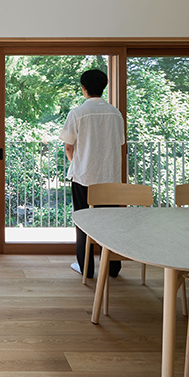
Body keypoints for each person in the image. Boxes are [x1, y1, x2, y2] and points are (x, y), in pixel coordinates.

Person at [59, 69, 125, 279]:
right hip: (111, 179)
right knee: (111, 224)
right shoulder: (116, 113)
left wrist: (78, 164)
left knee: (83, 224)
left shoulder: (77, 113)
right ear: (103, 87)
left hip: (84, 177)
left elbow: (69, 147)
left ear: (84, 88)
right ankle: (113, 268)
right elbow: (120, 144)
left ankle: (86, 269)